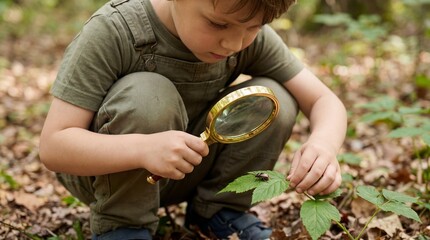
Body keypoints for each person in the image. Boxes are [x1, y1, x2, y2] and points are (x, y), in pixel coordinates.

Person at [39, 0, 347, 239]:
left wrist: (323, 146)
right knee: (148, 93)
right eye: (217, 24)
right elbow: (54, 146)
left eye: (254, 26)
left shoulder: (245, 32)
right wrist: (142, 149)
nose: (234, 43)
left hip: (187, 167)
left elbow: (324, 100)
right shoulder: (116, 30)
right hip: (104, 171)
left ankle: (220, 211)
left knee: (274, 96)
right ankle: (121, 224)